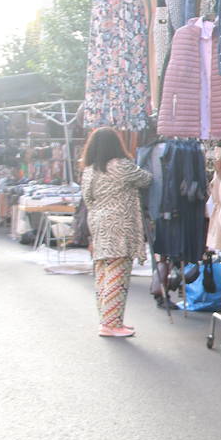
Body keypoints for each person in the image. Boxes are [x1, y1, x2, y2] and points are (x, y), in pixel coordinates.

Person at [81, 127, 153, 338]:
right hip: (119, 224)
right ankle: (111, 324)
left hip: (97, 221)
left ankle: (108, 319)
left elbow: (87, 198)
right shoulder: (121, 166)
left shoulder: (89, 170)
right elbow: (146, 179)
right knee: (117, 272)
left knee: (103, 270)